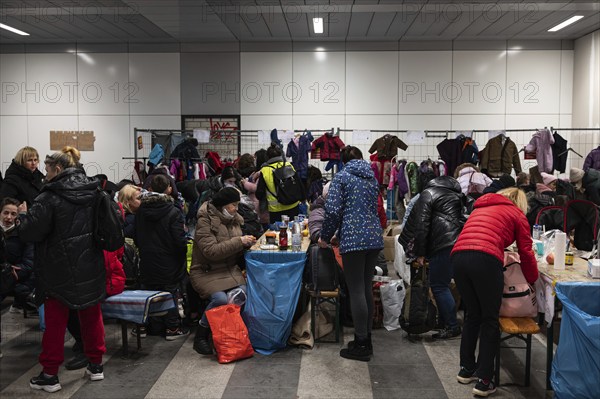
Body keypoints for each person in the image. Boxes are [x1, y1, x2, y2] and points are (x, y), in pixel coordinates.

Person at [18, 146, 107, 392]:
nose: (44, 175)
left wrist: (23, 218)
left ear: (57, 169)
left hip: (57, 269)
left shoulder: (48, 197)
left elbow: (31, 232)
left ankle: (49, 375)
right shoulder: (95, 190)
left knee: (55, 323)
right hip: (90, 265)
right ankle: (96, 366)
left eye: (46, 170)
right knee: (91, 317)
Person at [451, 187, 538, 397]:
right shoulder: (516, 214)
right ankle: (484, 380)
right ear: (520, 203)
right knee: (490, 319)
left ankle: (467, 369)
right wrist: (532, 278)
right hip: (486, 260)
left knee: (473, 314)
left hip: (458, 257)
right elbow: (525, 251)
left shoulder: (480, 207)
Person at [318, 146, 383, 362]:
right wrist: (340, 232)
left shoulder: (342, 177)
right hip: (373, 237)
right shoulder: (371, 178)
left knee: (355, 290)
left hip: (354, 240)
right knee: (365, 287)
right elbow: (367, 210)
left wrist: (325, 237)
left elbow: (334, 211)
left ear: (342, 161)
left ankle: (361, 344)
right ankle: (367, 339)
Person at [190, 187, 256, 355]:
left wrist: (247, 244)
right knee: (220, 299)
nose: (236, 208)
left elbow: (235, 248)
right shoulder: (204, 221)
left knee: (243, 292)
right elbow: (211, 251)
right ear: (222, 206)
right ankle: (201, 335)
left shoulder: (235, 220)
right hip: (206, 272)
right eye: (233, 205)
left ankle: (229, 332)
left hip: (229, 270)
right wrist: (239, 242)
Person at [399, 176, 466, 339]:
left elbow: (422, 223)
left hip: (442, 243)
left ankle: (452, 325)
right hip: (457, 241)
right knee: (443, 284)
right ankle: (444, 321)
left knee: (439, 285)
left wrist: (420, 252)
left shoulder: (428, 193)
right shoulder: (455, 195)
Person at [134, 174, 189, 340]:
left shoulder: (140, 211)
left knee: (147, 291)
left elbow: (136, 235)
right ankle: (172, 328)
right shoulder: (173, 212)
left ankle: (144, 327)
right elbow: (179, 241)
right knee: (170, 292)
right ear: (170, 189)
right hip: (169, 260)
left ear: (150, 189)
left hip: (147, 259)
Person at [0, 198, 35, 315]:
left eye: (13, 214)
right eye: (6, 213)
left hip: (15, 277)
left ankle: (20, 304)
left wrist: (9, 272)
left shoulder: (24, 235)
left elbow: (29, 263)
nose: (9, 217)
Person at [256, 143, 301, 223]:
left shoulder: (265, 170)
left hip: (276, 210)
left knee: (278, 232)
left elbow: (259, 193)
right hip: (293, 205)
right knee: (293, 230)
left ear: (267, 157)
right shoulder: (289, 165)